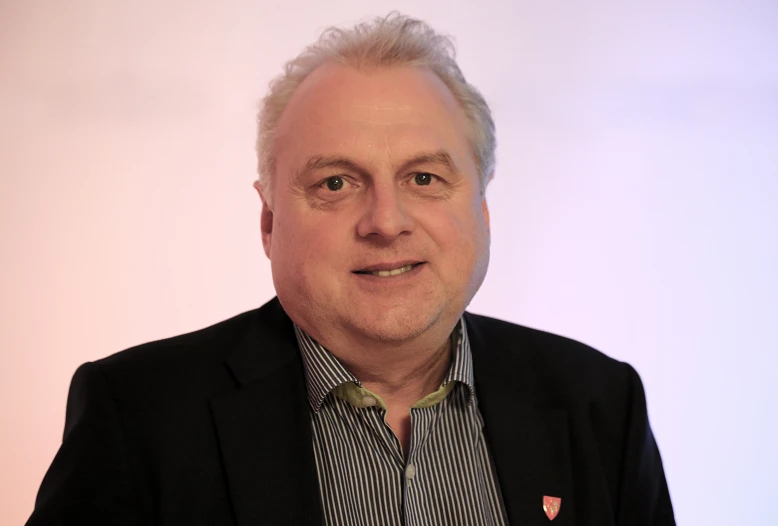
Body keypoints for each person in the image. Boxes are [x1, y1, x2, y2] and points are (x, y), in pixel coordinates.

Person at [27, 13, 675, 526]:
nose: (386, 220)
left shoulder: (598, 404)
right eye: (336, 183)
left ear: (481, 209)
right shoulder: (140, 417)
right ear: (270, 220)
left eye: (424, 177)